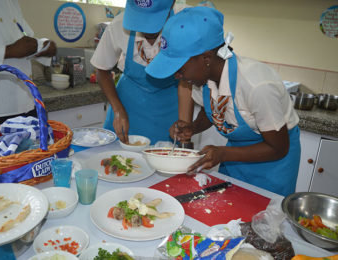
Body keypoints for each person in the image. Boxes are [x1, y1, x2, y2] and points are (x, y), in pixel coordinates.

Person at [146, 6, 301, 196]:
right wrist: (192, 128)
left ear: (206, 58)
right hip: (235, 158)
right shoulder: (202, 79)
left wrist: (224, 153)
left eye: (179, 68)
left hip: (273, 165)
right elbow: (212, 111)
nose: (177, 76)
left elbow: (278, 147)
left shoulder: (257, 85)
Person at [90, 0, 192, 145]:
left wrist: (185, 130)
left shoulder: (186, 23)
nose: (147, 28)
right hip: (127, 104)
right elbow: (101, 68)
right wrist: (118, 110)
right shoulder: (119, 25)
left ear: (171, 4)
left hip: (169, 110)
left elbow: (187, 81)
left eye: (153, 20)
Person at [0, 0, 56, 128]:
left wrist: (41, 47)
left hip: (26, 106)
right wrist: (7, 51)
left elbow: (22, 44)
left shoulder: (12, 3)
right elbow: (14, 49)